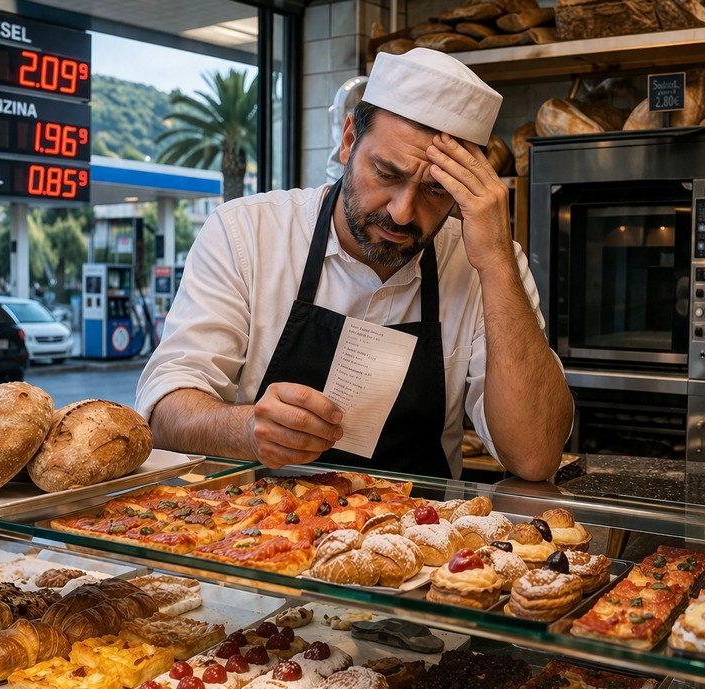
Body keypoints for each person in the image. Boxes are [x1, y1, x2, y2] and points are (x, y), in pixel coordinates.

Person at [135, 47, 573, 481]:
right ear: (348, 141)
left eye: (436, 191)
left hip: (423, 542)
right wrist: (246, 429)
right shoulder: (245, 234)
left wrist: (496, 261)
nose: (403, 212)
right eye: (386, 174)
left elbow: (535, 456)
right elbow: (165, 413)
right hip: (258, 531)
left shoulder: (488, 264)